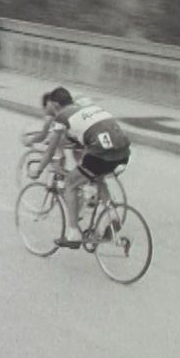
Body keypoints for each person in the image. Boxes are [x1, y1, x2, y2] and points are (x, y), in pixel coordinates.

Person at [27, 87, 131, 247]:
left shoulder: (62, 116)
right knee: (98, 177)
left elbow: (51, 149)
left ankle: (73, 233)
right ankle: (111, 217)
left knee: (70, 182)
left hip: (101, 153)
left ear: (55, 105)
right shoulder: (87, 108)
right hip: (124, 152)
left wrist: (38, 170)